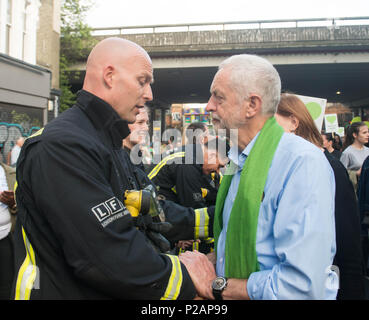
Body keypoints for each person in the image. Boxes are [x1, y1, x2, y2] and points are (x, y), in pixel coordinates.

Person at [11, 37, 215, 300]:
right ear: (109, 76)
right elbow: (104, 256)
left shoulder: (111, 147)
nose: (150, 94)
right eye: (143, 81)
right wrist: (187, 276)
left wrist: (215, 217)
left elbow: (155, 214)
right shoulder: (63, 145)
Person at [179, 54, 338, 300]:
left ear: (252, 105)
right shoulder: (237, 161)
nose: (208, 106)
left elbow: (301, 286)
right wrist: (207, 263)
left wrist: (216, 285)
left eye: (218, 97)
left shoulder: (300, 163)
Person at [275, 93, 366, 300]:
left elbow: (347, 240)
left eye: (271, 124)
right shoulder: (291, 165)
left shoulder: (328, 167)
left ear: (293, 122)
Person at [148, 137, 228, 209]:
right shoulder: (188, 163)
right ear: (212, 156)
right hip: (153, 208)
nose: (217, 171)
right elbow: (194, 205)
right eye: (219, 166)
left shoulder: (194, 155)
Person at [0, 157, 16, 299]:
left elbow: (24, 203)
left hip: (6, 236)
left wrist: (12, 202)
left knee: (7, 280)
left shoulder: (11, 173)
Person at [340, 122, 369, 191]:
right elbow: (341, 174)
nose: (368, 135)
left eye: (368, 132)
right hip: (356, 191)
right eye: (364, 133)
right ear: (355, 135)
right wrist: (356, 173)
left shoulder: (368, 150)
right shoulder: (347, 153)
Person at [122, 106, 151, 172]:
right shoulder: (118, 160)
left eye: (147, 123)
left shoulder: (136, 157)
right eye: (140, 122)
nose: (146, 128)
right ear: (123, 124)